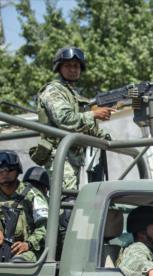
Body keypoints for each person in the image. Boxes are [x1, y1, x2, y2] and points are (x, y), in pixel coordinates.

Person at [32, 46, 113, 191]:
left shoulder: (75, 95)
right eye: (68, 65)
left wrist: (106, 138)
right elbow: (64, 119)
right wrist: (93, 114)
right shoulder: (53, 90)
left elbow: (86, 127)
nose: (73, 69)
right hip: (60, 155)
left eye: (76, 66)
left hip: (74, 157)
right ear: (59, 68)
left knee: (74, 200)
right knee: (66, 202)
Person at [0, 150, 48, 263]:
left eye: (9, 170)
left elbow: (45, 226)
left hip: (27, 251)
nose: (4, 174)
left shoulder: (32, 195)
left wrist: (28, 244)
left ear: (17, 171)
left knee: (17, 262)